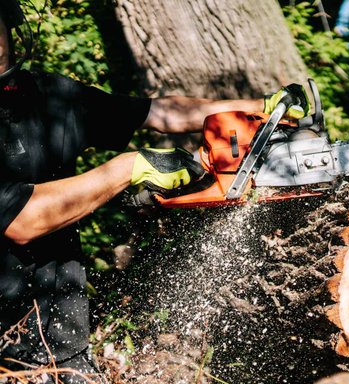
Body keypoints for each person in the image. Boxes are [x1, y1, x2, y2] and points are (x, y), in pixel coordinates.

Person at [0, 1, 310, 382]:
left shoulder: (43, 95)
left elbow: (160, 114)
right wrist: (129, 167)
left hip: (63, 342)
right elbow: (23, 219)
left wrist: (259, 108)